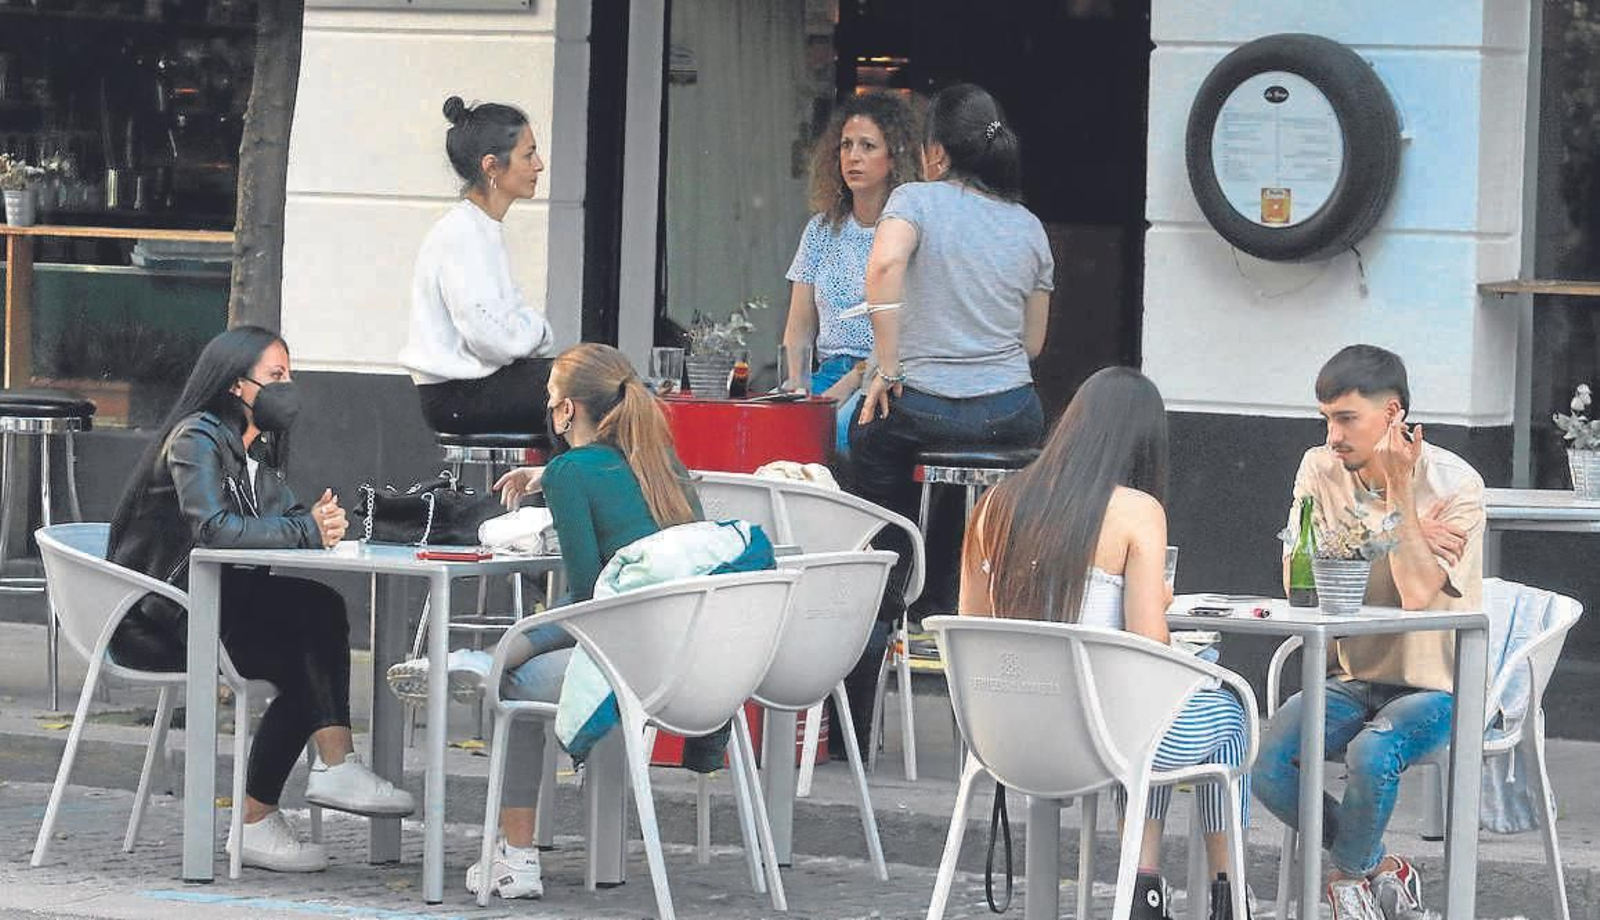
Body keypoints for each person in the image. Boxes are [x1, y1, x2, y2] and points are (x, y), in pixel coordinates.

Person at [393, 343, 706, 900]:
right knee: (530, 652)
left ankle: (516, 859)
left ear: (566, 412)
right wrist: (545, 478)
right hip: (686, 660)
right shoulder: (665, 465)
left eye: (549, 398)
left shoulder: (571, 472)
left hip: (622, 659)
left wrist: (527, 639)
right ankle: (476, 663)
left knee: (517, 684)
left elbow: (586, 602)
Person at [107, 326, 414, 874]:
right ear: (235, 386)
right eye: (276, 376)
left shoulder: (253, 449)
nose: (287, 386)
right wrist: (305, 531)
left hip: (212, 609)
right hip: (161, 621)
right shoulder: (195, 439)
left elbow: (283, 516)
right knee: (309, 633)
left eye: (289, 375)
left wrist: (319, 522)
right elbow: (214, 531)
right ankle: (281, 803)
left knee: (317, 613)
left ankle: (310, 783)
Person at [959, 367, 1251, 920]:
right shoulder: (1137, 512)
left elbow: (973, 626)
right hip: (1101, 741)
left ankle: (1147, 888)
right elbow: (1150, 647)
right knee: (1226, 710)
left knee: (1147, 716)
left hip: (1005, 741)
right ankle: (1225, 896)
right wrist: (1160, 604)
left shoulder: (993, 505)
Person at [845, 82, 1053, 751]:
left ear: (934, 152)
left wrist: (889, 365)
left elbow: (883, 265)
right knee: (1002, 537)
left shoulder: (915, 200)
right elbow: (1034, 345)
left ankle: (889, 599)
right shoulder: (1028, 226)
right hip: (1011, 416)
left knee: (866, 475)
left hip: (922, 410)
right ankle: (1002, 700)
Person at [1253, 345, 1485, 920]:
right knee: (1268, 763)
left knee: (1374, 750)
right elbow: (1300, 581)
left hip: (1436, 684)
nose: (1333, 435)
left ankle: (1344, 881)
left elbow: (1416, 594)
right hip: (1351, 672)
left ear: (1394, 415)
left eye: (1346, 418)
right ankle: (1377, 867)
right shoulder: (1319, 467)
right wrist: (1401, 532)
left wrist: (1399, 499)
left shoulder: (1457, 483)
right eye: (1326, 418)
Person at [399, 95, 557, 434]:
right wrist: (538, 330)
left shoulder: (482, 228)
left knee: (596, 377)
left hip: (479, 385)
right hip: (458, 396)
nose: (539, 165)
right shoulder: (462, 235)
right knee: (593, 392)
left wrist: (522, 332)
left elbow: (505, 329)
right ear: (491, 167)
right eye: (528, 155)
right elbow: (495, 341)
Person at [782, 90, 920, 453]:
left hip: (881, 377)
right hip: (824, 375)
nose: (853, 157)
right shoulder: (820, 229)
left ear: (894, 156)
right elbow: (798, 330)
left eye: (867, 146)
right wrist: (796, 384)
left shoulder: (907, 231)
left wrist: (838, 392)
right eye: (845, 145)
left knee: (841, 437)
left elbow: (909, 328)